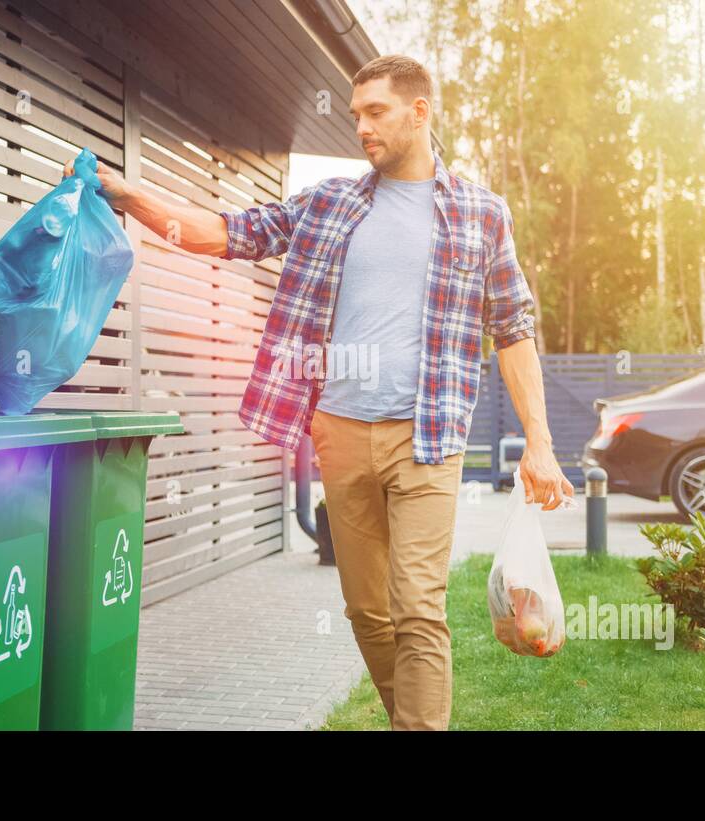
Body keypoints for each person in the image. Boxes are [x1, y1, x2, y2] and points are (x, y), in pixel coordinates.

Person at [65, 54, 573, 730]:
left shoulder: (481, 214)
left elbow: (513, 329)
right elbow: (232, 233)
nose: (360, 127)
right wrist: (133, 198)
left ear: (419, 113)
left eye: (375, 113)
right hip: (339, 431)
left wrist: (539, 441)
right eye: (355, 113)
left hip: (427, 439)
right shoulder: (331, 203)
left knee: (417, 606)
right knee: (367, 610)